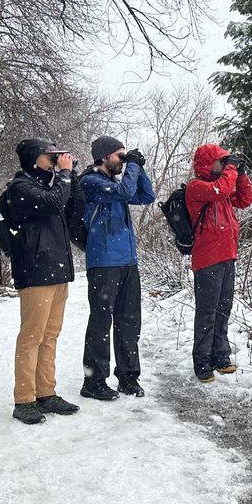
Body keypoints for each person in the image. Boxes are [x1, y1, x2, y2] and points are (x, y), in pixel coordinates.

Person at [4, 138, 84, 424]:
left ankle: (46, 392)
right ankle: (24, 399)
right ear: (32, 158)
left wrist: (71, 176)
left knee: (50, 335)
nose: (55, 158)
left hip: (58, 268)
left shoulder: (56, 184)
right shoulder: (21, 186)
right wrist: (63, 177)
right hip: (36, 269)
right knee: (32, 336)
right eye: (49, 155)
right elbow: (51, 204)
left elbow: (76, 210)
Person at [79, 136, 155, 400]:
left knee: (129, 321)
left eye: (125, 156)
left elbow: (146, 196)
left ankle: (128, 377)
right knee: (101, 322)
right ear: (103, 157)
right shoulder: (91, 182)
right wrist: (132, 165)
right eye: (119, 156)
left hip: (127, 261)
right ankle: (94, 381)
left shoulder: (113, 182)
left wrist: (138, 167)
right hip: (103, 262)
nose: (122, 161)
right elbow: (124, 193)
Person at [185, 144, 252, 383]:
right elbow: (221, 190)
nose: (224, 165)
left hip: (227, 255)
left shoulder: (220, 187)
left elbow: (244, 200)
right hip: (207, 258)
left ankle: (220, 356)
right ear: (208, 163)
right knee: (207, 311)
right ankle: (201, 361)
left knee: (223, 308)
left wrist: (241, 174)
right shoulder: (198, 187)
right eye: (220, 161)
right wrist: (232, 168)